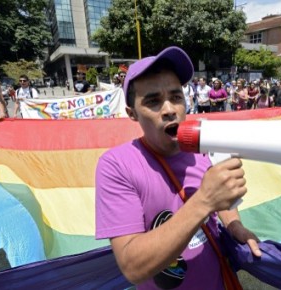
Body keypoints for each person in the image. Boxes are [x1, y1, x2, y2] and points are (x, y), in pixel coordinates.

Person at [95, 47, 261, 289]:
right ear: (132, 114)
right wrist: (204, 200)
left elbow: (224, 204)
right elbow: (133, 267)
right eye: (152, 101)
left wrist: (234, 225)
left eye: (175, 97)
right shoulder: (115, 166)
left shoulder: (204, 145)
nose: (169, 109)